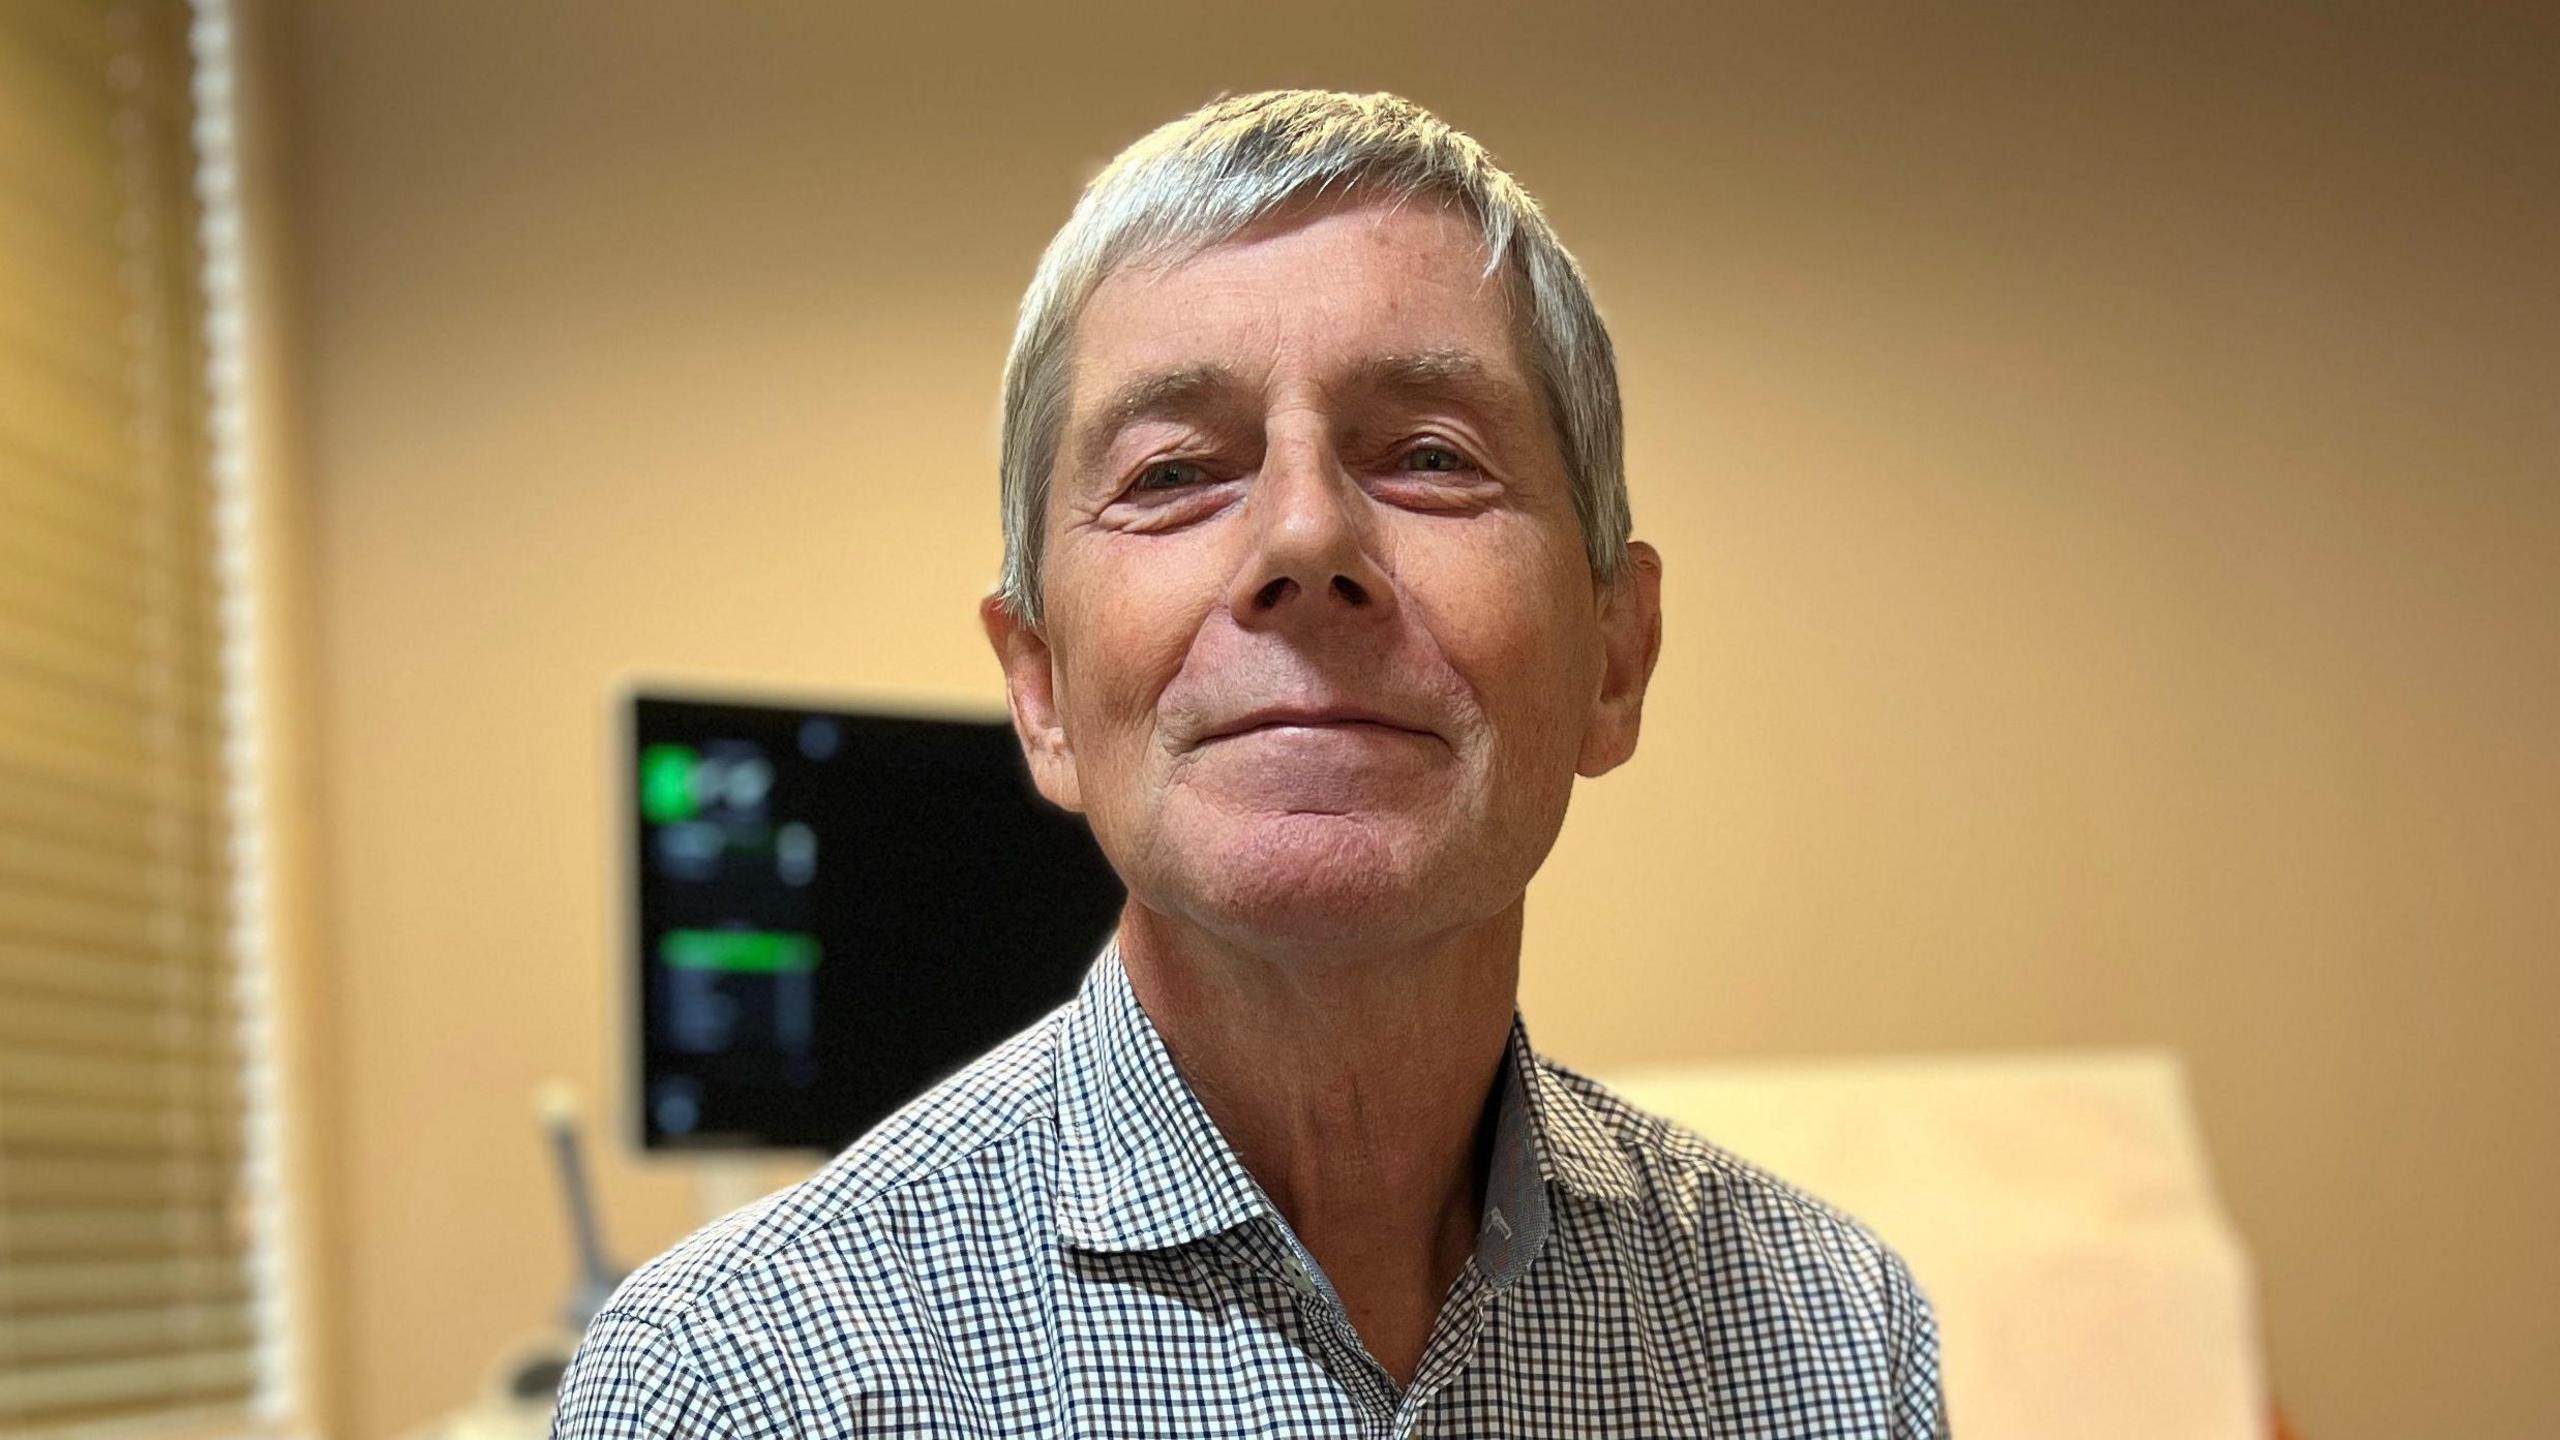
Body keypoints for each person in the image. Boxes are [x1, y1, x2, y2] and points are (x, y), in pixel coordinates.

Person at [554, 88, 1945, 1438]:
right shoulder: (737, 1385)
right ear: (1038, 691)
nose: (1302, 541)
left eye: (1429, 454)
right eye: (1171, 474)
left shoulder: (1830, 1343)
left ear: (1616, 657)